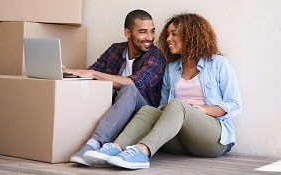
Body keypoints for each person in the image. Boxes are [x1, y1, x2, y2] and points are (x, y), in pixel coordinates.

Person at [82, 13, 242, 169]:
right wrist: (171, 108)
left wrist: (200, 110)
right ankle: (115, 148)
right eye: (167, 35)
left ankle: (142, 152)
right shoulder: (172, 69)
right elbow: (163, 106)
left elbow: (234, 105)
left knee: (178, 105)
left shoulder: (218, 64)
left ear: (190, 35)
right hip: (180, 141)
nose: (167, 39)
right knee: (149, 110)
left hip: (213, 140)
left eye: (174, 34)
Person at [64, 9, 166, 166]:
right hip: (115, 115)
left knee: (129, 89)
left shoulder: (156, 57)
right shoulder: (115, 50)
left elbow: (135, 83)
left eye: (152, 31)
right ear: (128, 33)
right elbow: (92, 75)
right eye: (143, 32)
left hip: (143, 117)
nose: (150, 37)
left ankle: (93, 144)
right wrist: (69, 73)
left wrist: (92, 73)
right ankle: (85, 143)